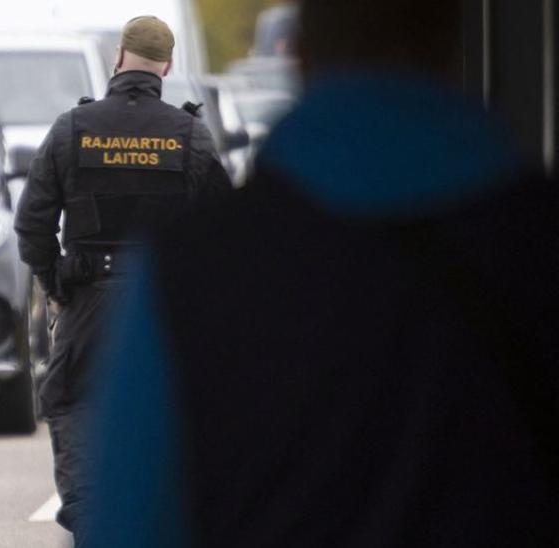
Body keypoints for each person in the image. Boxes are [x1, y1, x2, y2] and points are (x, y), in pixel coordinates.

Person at [88, 0, 559, 546]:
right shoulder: (537, 243)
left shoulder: (188, 272)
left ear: (304, 57)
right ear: (455, 45)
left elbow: (129, 524)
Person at [12, 15, 232, 545]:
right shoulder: (190, 136)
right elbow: (227, 232)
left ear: (118, 58)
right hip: (165, 309)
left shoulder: (72, 130)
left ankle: (91, 527)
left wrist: (57, 286)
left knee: (75, 406)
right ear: (169, 66)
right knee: (170, 416)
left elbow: (31, 223)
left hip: (88, 302)